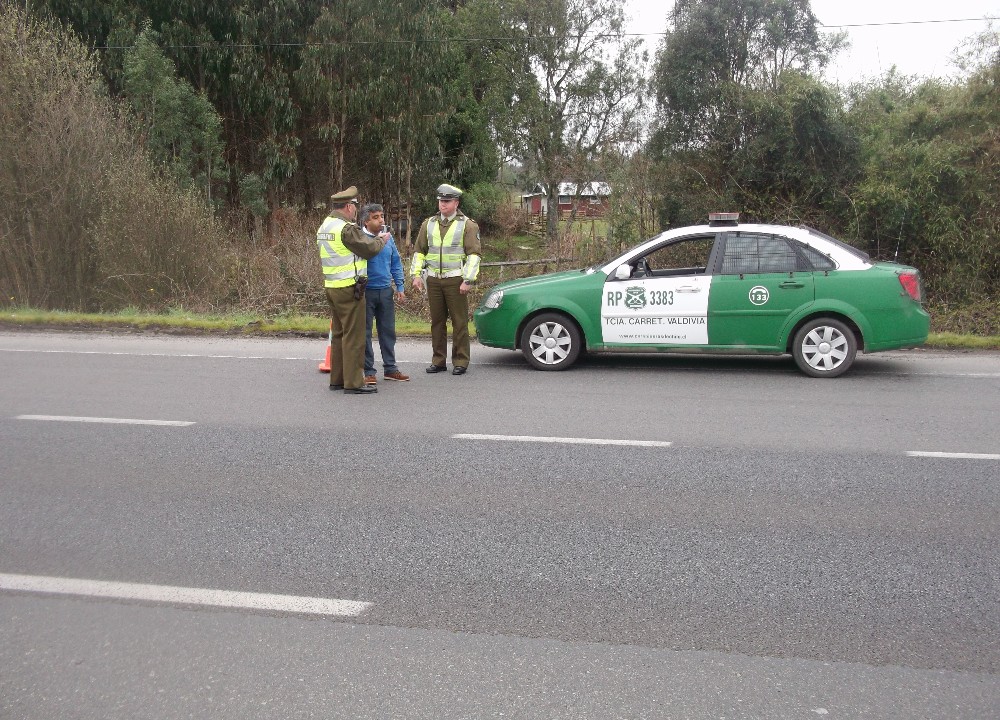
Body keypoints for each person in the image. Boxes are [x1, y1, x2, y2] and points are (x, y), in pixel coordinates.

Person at [316, 186, 386, 395]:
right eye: (354, 207)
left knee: (338, 335)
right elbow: (369, 249)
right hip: (349, 287)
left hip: (332, 286)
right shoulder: (346, 228)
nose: (355, 211)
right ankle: (354, 382)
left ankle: (337, 379)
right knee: (354, 336)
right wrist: (382, 240)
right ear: (348, 207)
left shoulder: (325, 226)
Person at [410, 183, 482, 375]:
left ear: (456, 203)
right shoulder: (429, 223)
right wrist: (416, 275)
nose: (443, 204)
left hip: (455, 280)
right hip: (433, 280)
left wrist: (468, 280)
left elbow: (474, 255)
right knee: (437, 322)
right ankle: (438, 360)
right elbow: (419, 251)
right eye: (441, 201)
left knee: (459, 322)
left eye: (447, 201)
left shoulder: (468, 224)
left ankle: (460, 361)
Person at [359, 203, 409, 385]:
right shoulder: (359, 238)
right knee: (365, 333)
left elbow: (395, 261)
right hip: (366, 291)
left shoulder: (389, 239)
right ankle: (368, 371)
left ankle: (390, 368)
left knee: (388, 331)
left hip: (385, 291)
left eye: (381, 216)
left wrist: (400, 287)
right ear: (366, 221)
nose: (381, 220)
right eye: (376, 217)